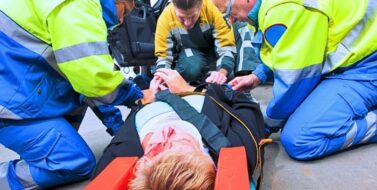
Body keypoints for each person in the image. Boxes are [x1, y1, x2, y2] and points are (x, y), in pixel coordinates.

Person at [0, 0, 153, 189]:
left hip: (18, 87)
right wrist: (135, 95)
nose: (121, 21)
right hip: (8, 101)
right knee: (75, 163)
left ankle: (48, 146)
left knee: (74, 95)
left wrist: (119, 129)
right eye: (125, 12)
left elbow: (84, 85)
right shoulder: (77, 5)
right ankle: (5, 179)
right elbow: (93, 79)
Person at [217, 0, 377, 160]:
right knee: (293, 116)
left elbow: (296, 80)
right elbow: (294, 46)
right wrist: (258, 75)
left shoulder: (285, 9)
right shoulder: (273, 6)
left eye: (228, 13)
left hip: (365, 66)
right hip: (357, 59)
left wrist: (264, 124)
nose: (230, 21)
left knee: (301, 140)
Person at [92, 68, 266, 189]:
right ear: (209, 162)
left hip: (150, 99)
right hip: (196, 89)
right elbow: (246, 104)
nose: (168, 132)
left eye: (157, 152)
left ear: (141, 165)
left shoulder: (119, 157)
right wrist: (191, 90)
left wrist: (146, 98)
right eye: (181, 144)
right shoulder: (237, 146)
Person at [154, 0, 236, 84]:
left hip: (213, 50)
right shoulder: (166, 17)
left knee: (229, 72)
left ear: (201, 5)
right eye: (181, 18)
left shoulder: (212, 9)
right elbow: (163, 57)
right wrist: (160, 78)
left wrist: (222, 73)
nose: (187, 23)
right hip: (189, 53)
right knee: (191, 67)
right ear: (174, 8)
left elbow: (226, 47)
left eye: (192, 17)